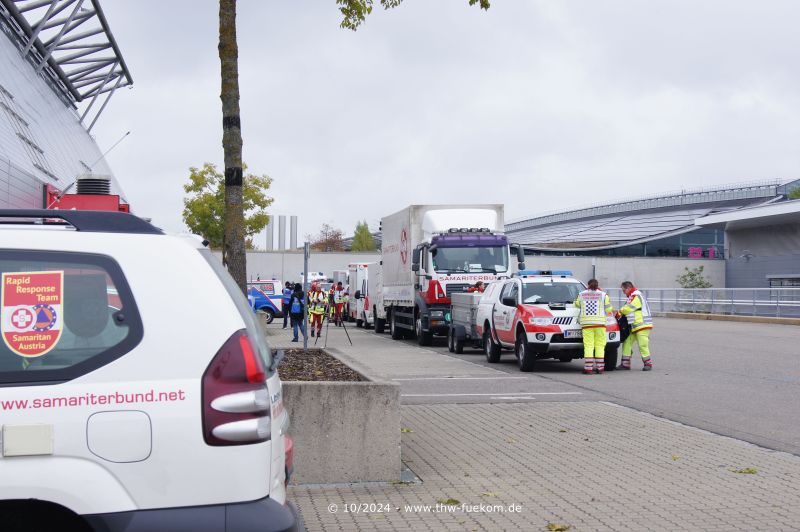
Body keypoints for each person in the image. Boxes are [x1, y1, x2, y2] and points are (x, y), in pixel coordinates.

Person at [573, 279, 614, 374]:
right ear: (597, 285)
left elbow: (577, 304)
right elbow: (608, 309)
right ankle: (600, 368)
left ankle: (588, 368)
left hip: (587, 323)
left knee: (589, 346)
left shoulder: (581, 294)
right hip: (600, 324)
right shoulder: (604, 295)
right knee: (600, 346)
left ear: (588, 285)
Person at [616, 281, 654, 371]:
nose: (623, 292)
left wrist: (620, 311)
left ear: (628, 288)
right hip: (634, 326)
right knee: (627, 342)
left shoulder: (636, 295)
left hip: (642, 325)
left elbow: (629, 308)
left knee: (642, 345)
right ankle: (625, 364)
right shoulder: (632, 296)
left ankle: (648, 363)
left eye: (624, 290)